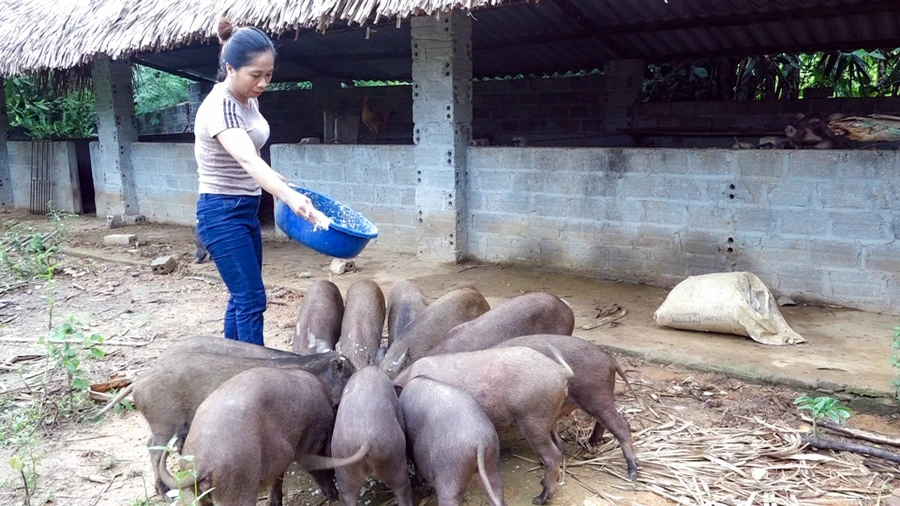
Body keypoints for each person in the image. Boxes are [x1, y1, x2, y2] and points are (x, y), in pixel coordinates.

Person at [194, 19, 328, 346]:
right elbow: (247, 159)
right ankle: (257, 371)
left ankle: (232, 360)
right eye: (256, 74)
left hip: (245, 208)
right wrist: (288, 196)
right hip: (221, 213)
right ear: (230, 68)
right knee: (252, 298)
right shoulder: (220, 106)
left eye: (269, 74)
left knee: (241, 295)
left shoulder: (248, 98)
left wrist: (280, 182)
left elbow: (252, 152)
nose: (263, 83)